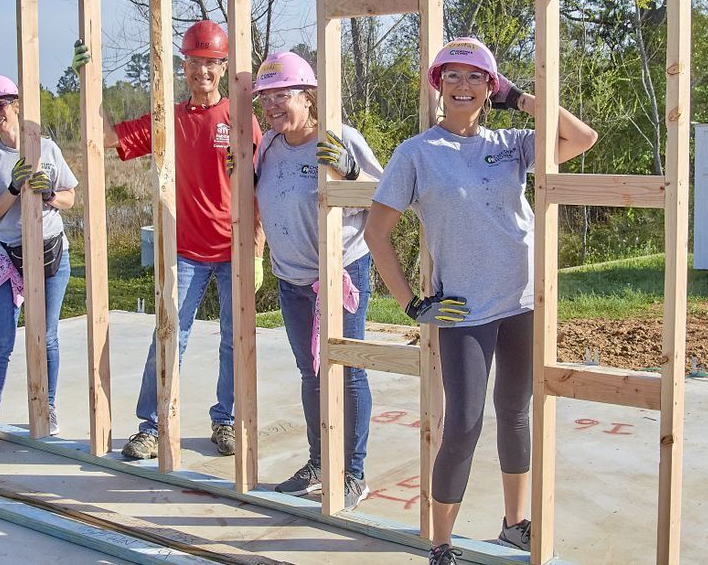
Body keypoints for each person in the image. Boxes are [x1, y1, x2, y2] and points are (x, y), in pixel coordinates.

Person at [364, 38, 598, 560]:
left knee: (515, 412)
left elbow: (582, 136)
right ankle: (441, 543)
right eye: (452, 77)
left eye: (475, 77)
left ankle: (515, 524)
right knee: (464, 424)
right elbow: (377, 234)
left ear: (491, 88)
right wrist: (410, 303)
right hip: (464, 310)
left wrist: (522, 99)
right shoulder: (417, 153)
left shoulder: (514, 143)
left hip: (521, 302)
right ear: (438, 86)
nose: (462, 87)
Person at [73, 20, 264, 460]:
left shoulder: (239, 120)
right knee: (168, 336)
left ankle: (227, 421)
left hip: (232, 249)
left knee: (236, 339)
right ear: (185, 67)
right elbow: (108, 138)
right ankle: (152, 425)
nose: (203, 72)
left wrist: (255, 249)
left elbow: (260, 185)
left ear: (222, 67)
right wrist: (90, 83)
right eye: (195, 63)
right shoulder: (168, 122)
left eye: (211, 64)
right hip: (186, 252)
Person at [240, 51, 382, 510]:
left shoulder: (339, 138)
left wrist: (351, 171)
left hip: (340, 274)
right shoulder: (269, 146)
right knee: (312, 372)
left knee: (348, 371)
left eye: (282, 96)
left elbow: (388, 198)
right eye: (266, 98)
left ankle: (353, 471)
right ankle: (320, 462)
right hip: (292, 280)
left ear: (308, 96)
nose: (272, 106)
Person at [0, 73, 78, 451]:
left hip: (50, 254)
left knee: (46, 335)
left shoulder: (45, 148)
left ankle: (46, 406)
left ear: (14, 104)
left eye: (0, 105)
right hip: (7, 259)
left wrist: (49, 194)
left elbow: (70, 198)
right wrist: (14, 189)